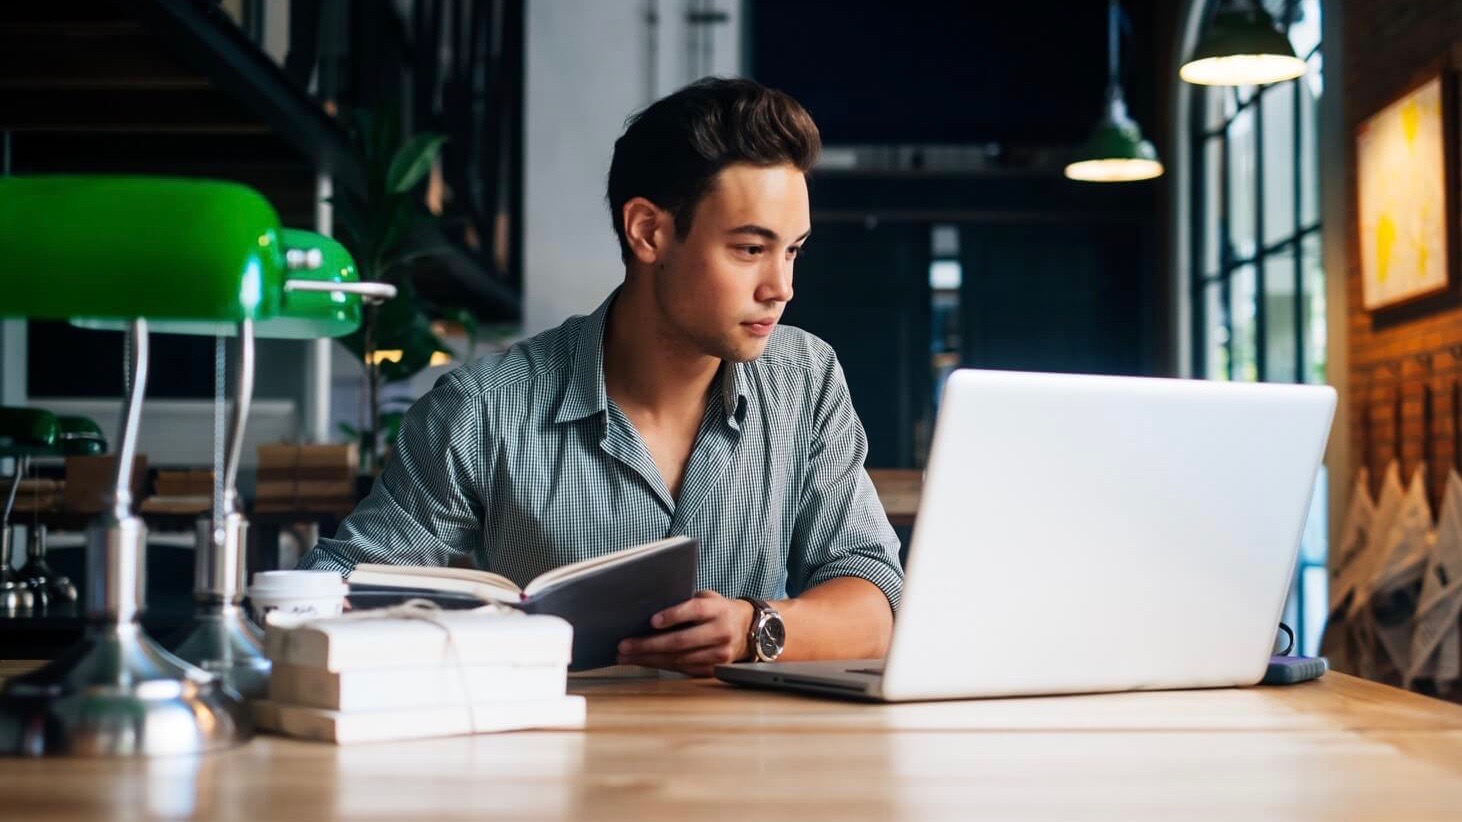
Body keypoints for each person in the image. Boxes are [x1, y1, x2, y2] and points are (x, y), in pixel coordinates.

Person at [298, 77, 903, 676]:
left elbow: (876, 601)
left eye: (792, 250)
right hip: (546, 753)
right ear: (648, 231)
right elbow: (333, 597)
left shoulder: (806, 380)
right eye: (750, 249)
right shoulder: (483, 411)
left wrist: (756, 628)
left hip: (749, 760)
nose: (782, 288)